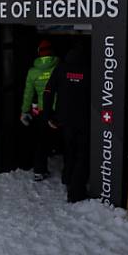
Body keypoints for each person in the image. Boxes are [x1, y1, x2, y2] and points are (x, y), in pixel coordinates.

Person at [43, 41, 90, 202]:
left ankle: (67, 178)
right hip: (84, 120)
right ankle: (76, 193)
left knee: (69, 150)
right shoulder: (89, 70)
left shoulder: (60, 69)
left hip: (64, 119)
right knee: (82, 155)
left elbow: (48, 92)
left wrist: (48, 115)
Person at [20, 39, 59, 181]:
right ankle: (67, 175)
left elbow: (28, 93)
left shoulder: (32, 72)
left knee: (41, 141)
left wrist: (24, 111)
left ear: (39, 53)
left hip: (43, 111)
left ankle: (39, 171)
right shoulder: (58, 66)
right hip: (60, 110)